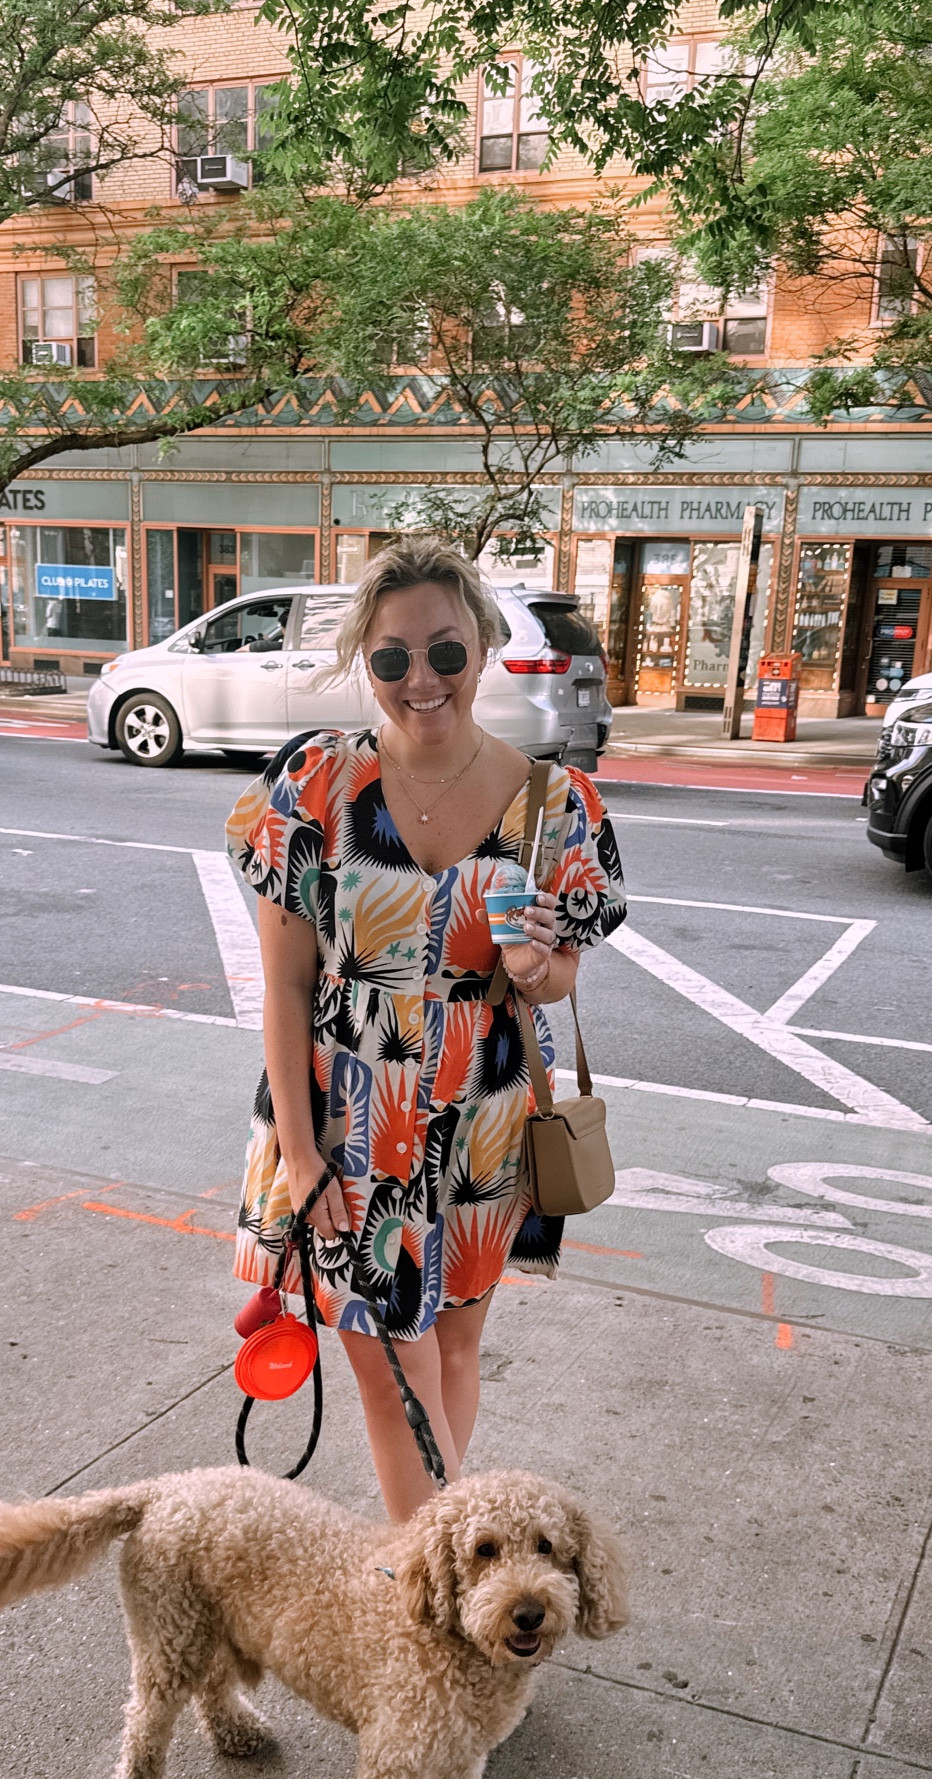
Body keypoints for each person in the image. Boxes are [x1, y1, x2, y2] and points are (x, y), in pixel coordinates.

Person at [226, 538, 627, 1520]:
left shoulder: (551, 803)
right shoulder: (316, 782)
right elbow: (283, 987)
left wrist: (535, 963)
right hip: (350, 1117)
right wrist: (301, 1149)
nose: (422, 680)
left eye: (445, 653)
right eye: (393, 657)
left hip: (487, 1118)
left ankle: (443, 1569)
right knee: (391, 1378)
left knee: (450, 1348)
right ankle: (448, 1586)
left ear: (483, 649)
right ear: (364, 659)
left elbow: (559, 975)